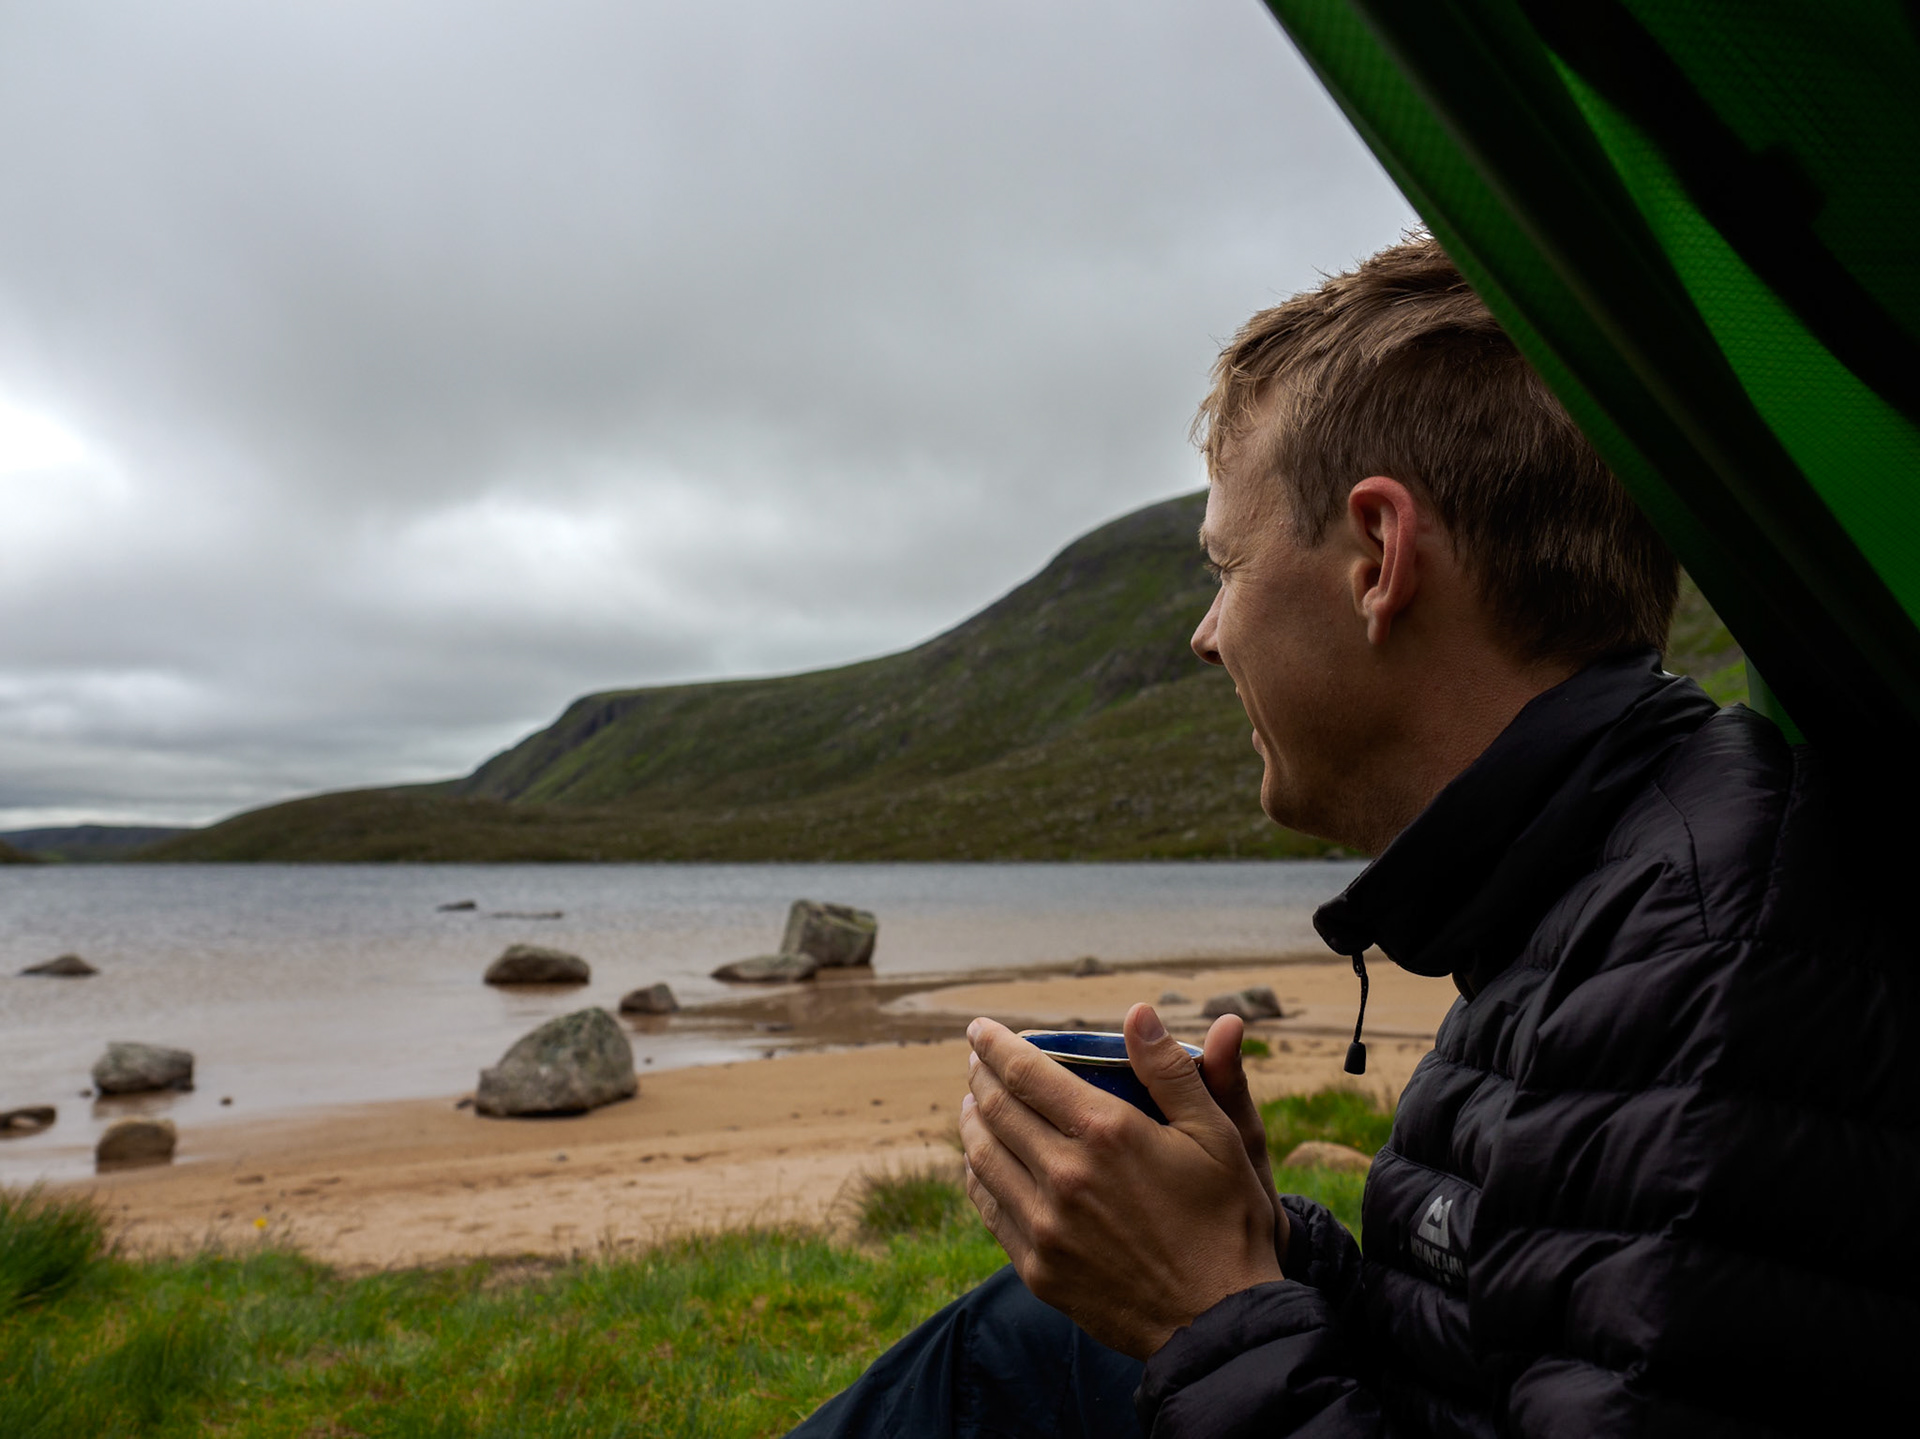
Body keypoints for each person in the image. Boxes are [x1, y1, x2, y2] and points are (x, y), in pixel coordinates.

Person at [790, 235, 1916, 1437]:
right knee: (1032, 1334)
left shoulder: (1693, 974)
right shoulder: (1596, 879)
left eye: (1225, 563)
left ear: (1378, 557)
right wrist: (1260, 1239)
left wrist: (1205, 1307)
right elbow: (1484, 1351)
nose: (1206, 635)